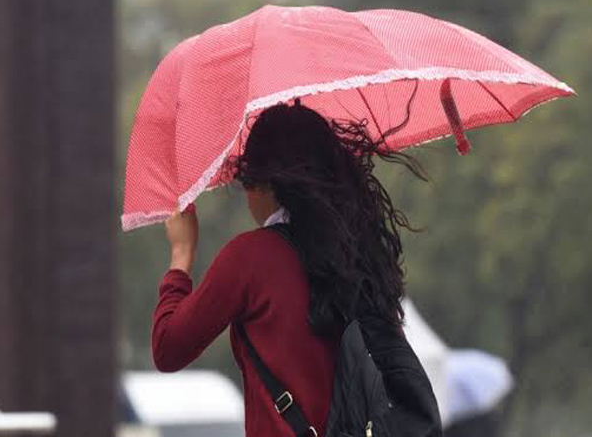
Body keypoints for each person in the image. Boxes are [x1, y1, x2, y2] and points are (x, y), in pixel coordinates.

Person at [151, 99, 427, 437]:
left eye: (246, 179)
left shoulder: (251, 257)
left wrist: (181, 253)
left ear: (267, 183)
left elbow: (168, 349)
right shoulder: (360, 255)